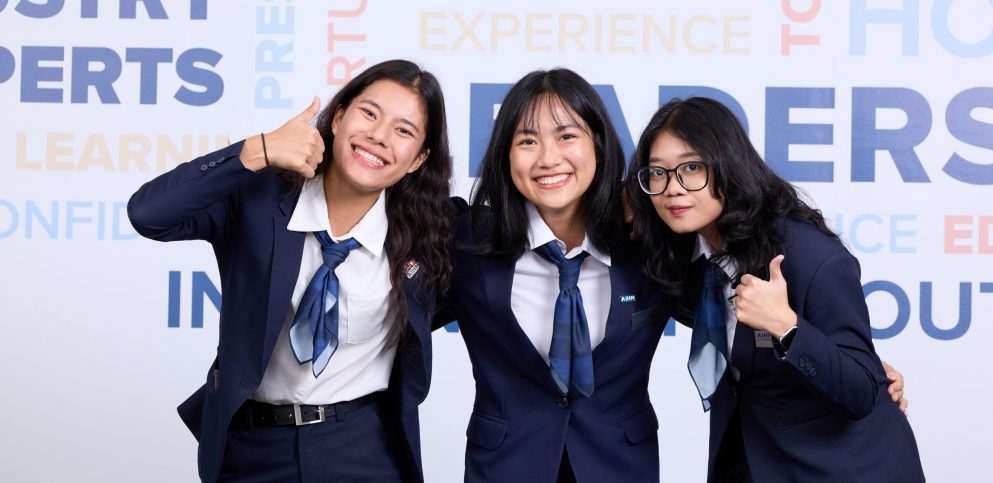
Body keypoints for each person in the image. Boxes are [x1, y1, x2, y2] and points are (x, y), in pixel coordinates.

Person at [128, 59, 453, 483]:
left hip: (364, 447)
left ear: (418, 159)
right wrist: (255, 150)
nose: (379, 136)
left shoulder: (432, 235)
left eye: (404, 130)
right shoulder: (259, 200)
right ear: (338, 117)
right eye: (369, 113)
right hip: (253, 448)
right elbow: (149, 214)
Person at [626, 96, 925, 482]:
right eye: (657, 172)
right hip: (759, 461)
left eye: (692, 167)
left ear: (728, 165)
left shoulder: (810, 256)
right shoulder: (688, 253)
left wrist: (788, 328)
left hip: (845, 469)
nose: (673, 188)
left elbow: (862, 391)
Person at [438, 68, 673, 483]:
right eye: (527, 140)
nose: (548, 158)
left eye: (567, 136)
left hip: (621, 468)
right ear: (505, 155)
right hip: (506, 468)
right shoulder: (468, 242)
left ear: (598, 145)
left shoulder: (651, 243)